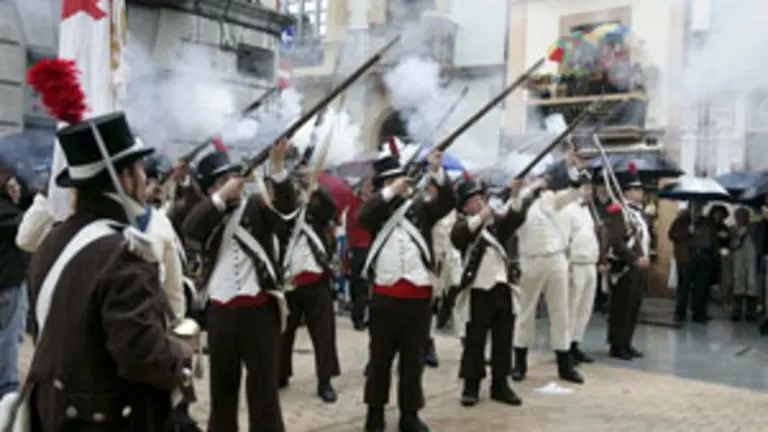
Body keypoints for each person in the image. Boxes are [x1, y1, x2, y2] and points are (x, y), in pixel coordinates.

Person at [24, 111, 193, 431]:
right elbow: (143, 357)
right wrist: (181, 351)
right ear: (125, 178)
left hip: (54, 414)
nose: (146, 178)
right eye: (140, 169)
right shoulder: (125, 254)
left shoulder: (53, 240)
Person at [182, 140, 296, 431]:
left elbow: (286, 210)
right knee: (223, 391)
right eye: (223, 180)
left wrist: (279, 168)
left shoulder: (257, 207)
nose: (234, 184)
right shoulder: (206, 212)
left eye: (233, 178)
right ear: (211, 189)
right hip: (221, 314)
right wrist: (221, 198)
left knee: (263, 393)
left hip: (260, 313)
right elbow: (191, 229)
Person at [358, 150, 454, 432]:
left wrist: (437, 171)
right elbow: (364, 215)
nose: (403, 186)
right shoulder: (376, 210)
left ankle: (409, 415)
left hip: (418, 299)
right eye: (394, 182)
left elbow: (448, 202)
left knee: (413, 363)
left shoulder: (421, 209)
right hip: (385, 297)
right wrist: (389, 192)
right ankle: (374, 413)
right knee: (380, 361)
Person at [512, 152, 587, 384]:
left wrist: (572, 168)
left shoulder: (548, 199)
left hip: (556, 259)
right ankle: (520, 364)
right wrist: (522, 188)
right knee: (526, 314)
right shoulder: (516, 201)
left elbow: (573, 193)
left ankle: (564, 365)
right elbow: (514, 207)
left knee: (560, 313)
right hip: (531, 260)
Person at [450, 176, 525, 407]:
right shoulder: (463, 225)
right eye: (474, 200)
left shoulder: (495, 224)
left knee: (504, 339)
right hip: (478, 289)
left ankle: (500, 384)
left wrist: (513, 195)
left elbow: (515, 219)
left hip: (503, 286)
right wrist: (483, 215)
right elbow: (460, 238)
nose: (480, 203)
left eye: (481, 199)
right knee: (475, 340)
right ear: (465, 206)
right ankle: (471, 386)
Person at [279, 168, 341, 403]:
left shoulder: (317, 213)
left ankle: (324, 381)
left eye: (301, 187)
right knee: (284, 335)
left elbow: (330, 207)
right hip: (290, 283)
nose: (298, 191)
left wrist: (316, 190)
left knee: (323, 336)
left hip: (317, 282)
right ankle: (280, 374)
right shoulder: (284, 214)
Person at [558, 181, 606, 365]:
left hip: (590, 263)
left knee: (585, 308)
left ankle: (575, 342)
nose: (589, 192)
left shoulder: (589, 211)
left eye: (590, 189)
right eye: (585, 188)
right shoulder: (568, 211)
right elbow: (563, 239)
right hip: (575, 264)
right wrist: (566, 265)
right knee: (571, 307)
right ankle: (564, 347)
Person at [605, 170, 650, 360]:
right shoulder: (618, 211)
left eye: (640, 189)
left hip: (638, 267)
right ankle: (617, 345)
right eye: (636, 189)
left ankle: (627, 342)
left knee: (633, 307)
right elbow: (616, 241)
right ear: (626, 192)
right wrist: (633, 258)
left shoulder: (638, 214)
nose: (641, 193)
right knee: (621, 308)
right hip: (625, 267)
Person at [0, 168, 29, 403]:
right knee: (10, 337)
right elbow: (27, 230)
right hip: (8, 284)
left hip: (8, 282)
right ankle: (7, 389)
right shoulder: (6, 212)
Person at [345, 177, 373, 330]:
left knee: (371, 285)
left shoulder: (372, 203)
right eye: (366, 186)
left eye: (371, 187)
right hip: (359, 247)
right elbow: (354, 222)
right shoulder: (355, 204)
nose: (369, 190)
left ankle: (369, 315)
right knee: (359, 285)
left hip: (371, 246)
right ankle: (358, 316)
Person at [730, 207, 759, 321]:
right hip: (738, 259)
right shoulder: (733, 229)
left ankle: (750, 312)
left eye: (742, 216)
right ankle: (736, 310)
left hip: (751, 258)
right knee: (738, 282)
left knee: (752, 283)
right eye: (738, 216)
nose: (739, 219)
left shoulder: (754, 228)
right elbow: (731, 244)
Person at [668, 208, 694, 323]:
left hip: (691, 257)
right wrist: (688, 232)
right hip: (683, 258)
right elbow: (672, 235)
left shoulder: (694, 222)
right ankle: (680, 311)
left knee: (687, 285)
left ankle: (688, 309)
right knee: (683, 285)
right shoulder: (679, 223)